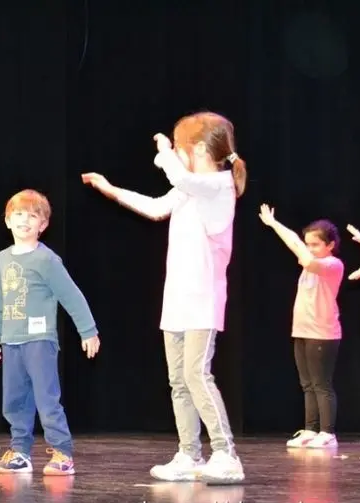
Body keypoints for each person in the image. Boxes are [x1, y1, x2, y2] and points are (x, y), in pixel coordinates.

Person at [82, 111, 246, 483]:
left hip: (202, 299)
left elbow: (180, 176)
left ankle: (226, 454)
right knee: (179, 380)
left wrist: (163, 149)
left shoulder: (218, 185)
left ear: (199, 149)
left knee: (197, 374)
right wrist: (109, 189)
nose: (176, 152)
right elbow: (155, 207)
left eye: (181, 145)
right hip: (177, 299)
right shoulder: (188, 189)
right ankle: (189, 453)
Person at [0, 189, 100, 476]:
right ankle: (20, 452)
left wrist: (88, 331)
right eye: (18, 214)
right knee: (14, 400)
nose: (24, 220)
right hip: (11, 341)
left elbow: (71, 295)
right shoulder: (1, 259)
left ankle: (62, 452)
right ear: (8, 220)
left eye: (32, 216)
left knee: (47, 399)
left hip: (39, 340)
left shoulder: (46, 260)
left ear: (43, 225)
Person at [258, 207, 343, 449]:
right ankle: (310, 429)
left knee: (321, 384)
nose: (310, 248)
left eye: (316, 244)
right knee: (307, 384)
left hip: (322, 333)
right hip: (302, 330)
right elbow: (295, 242)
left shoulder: (332, 264)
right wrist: (274, 223)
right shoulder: (311, 261)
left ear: (330, 245)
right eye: (308, 244)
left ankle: (327, 433)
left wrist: (299, 246)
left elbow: (303, 255)